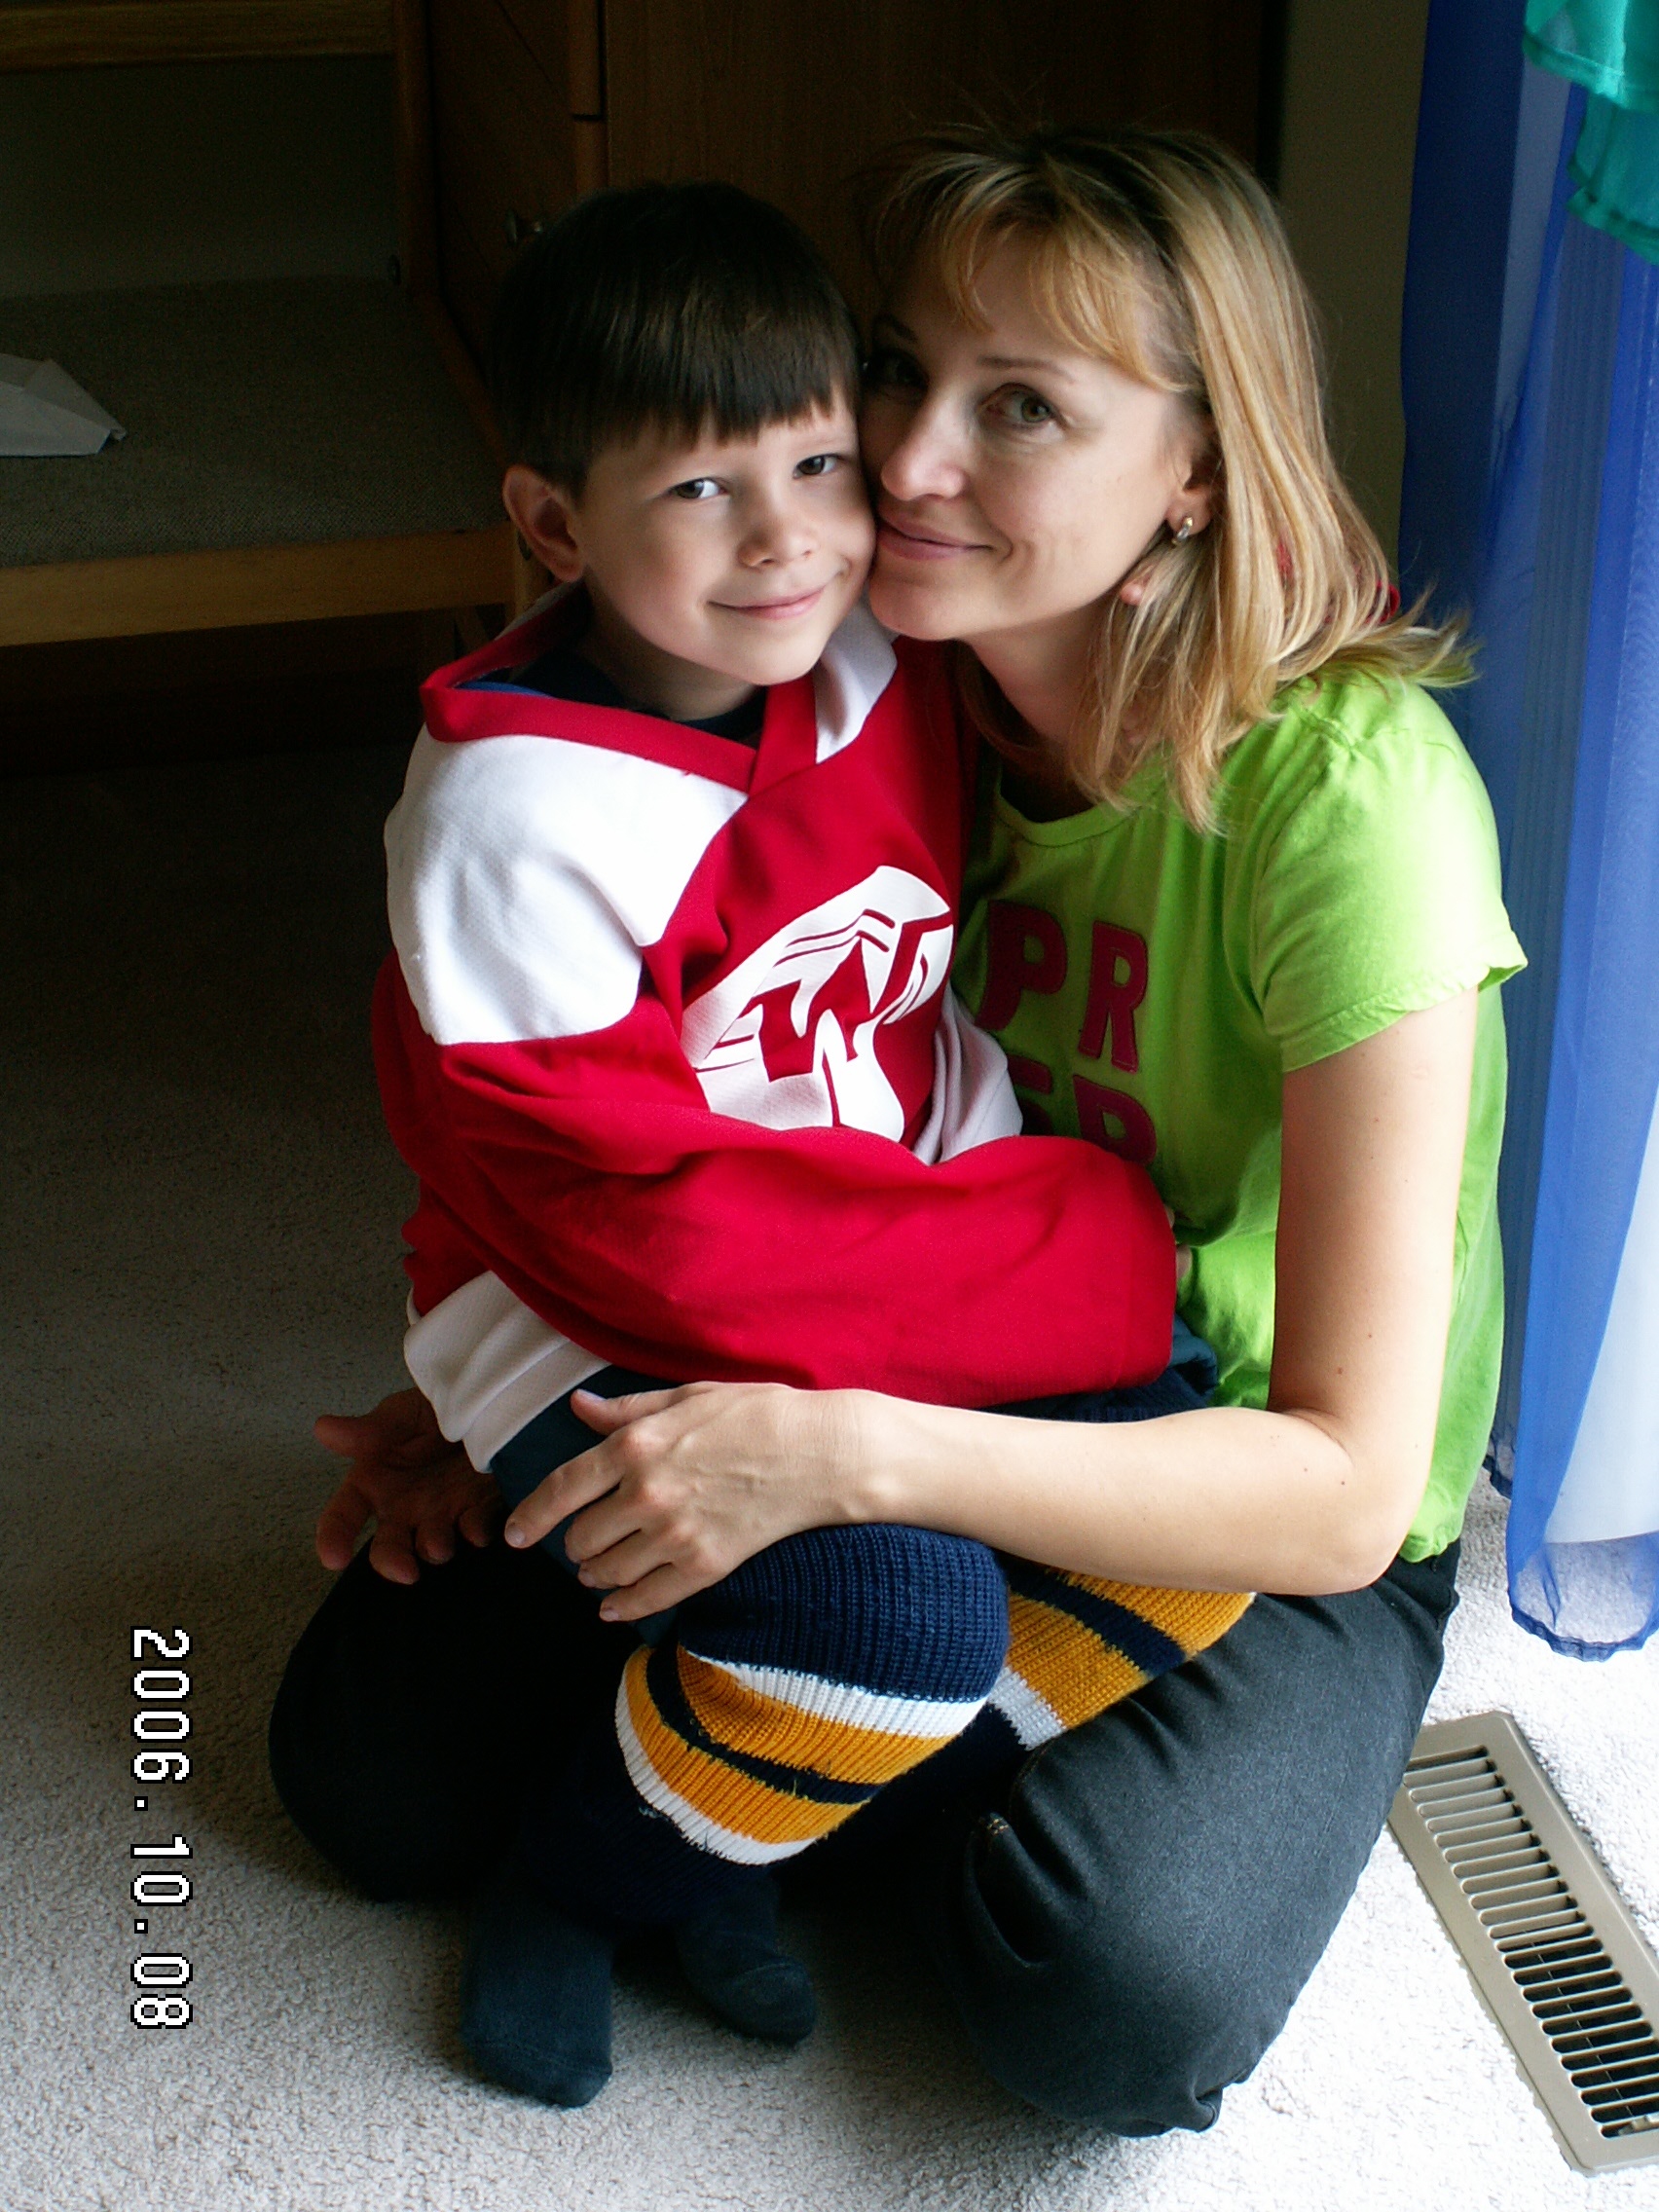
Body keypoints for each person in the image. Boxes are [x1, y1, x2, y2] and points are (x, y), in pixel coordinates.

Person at [280, 127, 1526, 2133]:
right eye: (895, 368)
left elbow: (1342, 1488)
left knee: (1108, 1996)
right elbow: (612, 1105)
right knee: (366, 1784)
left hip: (1224, 1470)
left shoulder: (1355, 809)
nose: (907, 459)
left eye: (1022, 407)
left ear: (1197, 469)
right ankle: (769, 1754)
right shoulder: (855, 683)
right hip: (837, 1339)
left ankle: (772, 1760)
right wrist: (498, 1370)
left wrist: (839, 1459)